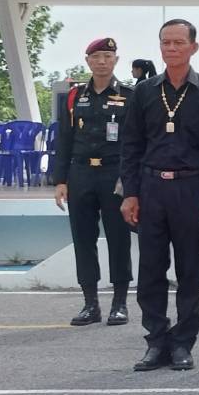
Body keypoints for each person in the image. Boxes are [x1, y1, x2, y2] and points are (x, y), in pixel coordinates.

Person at [119, 19, 199, 372]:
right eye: (165, 42)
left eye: (178, 42)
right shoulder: (144, 91)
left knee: (188, 269)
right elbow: (131, 145)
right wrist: (130, 193)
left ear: (193, 47)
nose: (171, 48)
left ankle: (183, 342)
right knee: (150, 269)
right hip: (151, 188)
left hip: (192, 187)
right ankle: (156, 340)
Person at [53, 37, 134, 325]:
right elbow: (64, 139)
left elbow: (136, 141)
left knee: (118, 238)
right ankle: (90, 304)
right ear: (87, 61)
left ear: (116, 60)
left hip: (115, 174)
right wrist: (60, 180)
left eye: (107, 57)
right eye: (96, 57)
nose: (102, 62)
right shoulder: (74, 96)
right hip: (81, 173)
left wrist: (132, 180)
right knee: (83, 238)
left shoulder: (130, 95)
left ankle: (120, 303)